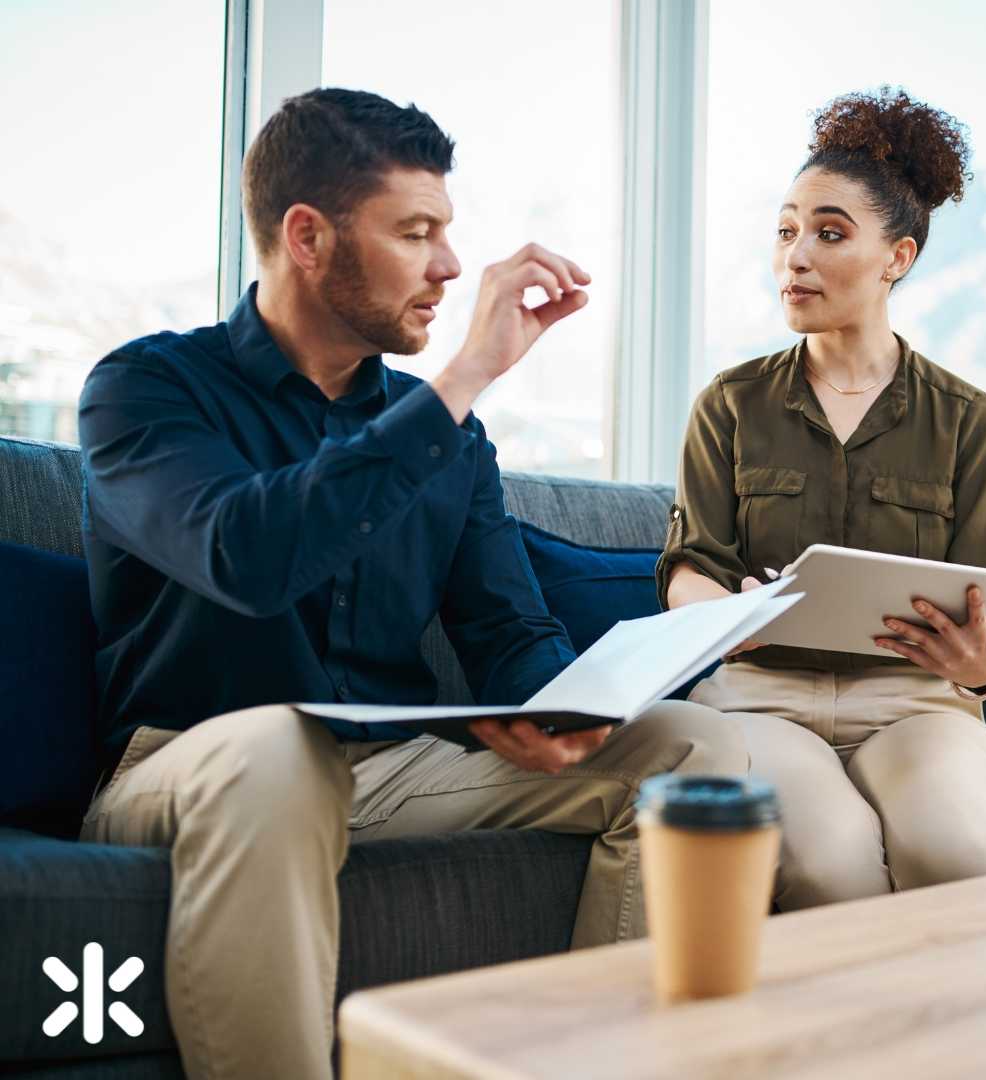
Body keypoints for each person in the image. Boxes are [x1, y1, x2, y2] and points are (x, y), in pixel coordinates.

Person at [76, 88, 747, 1080]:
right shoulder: (146, 391)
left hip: (380, 766)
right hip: (186, 762)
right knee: (277, 753)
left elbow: (504, 622)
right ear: (308, 237)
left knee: (697, 746)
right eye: (416, 232)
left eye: (448, 232)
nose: (447, 266)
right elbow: (247, 558)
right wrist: (461, 380)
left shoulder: (448, 437)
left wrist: (567, 702)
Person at [657, 87, 986, 912]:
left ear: (897, 257)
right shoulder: (731, 403)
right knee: (833, 868)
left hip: (913, 704)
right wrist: (722, 613)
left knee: (959, 849)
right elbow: (689, 566)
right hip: (764, 700)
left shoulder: (968, 419)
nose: (796, 255)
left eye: (829, 233)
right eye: (786, 230)